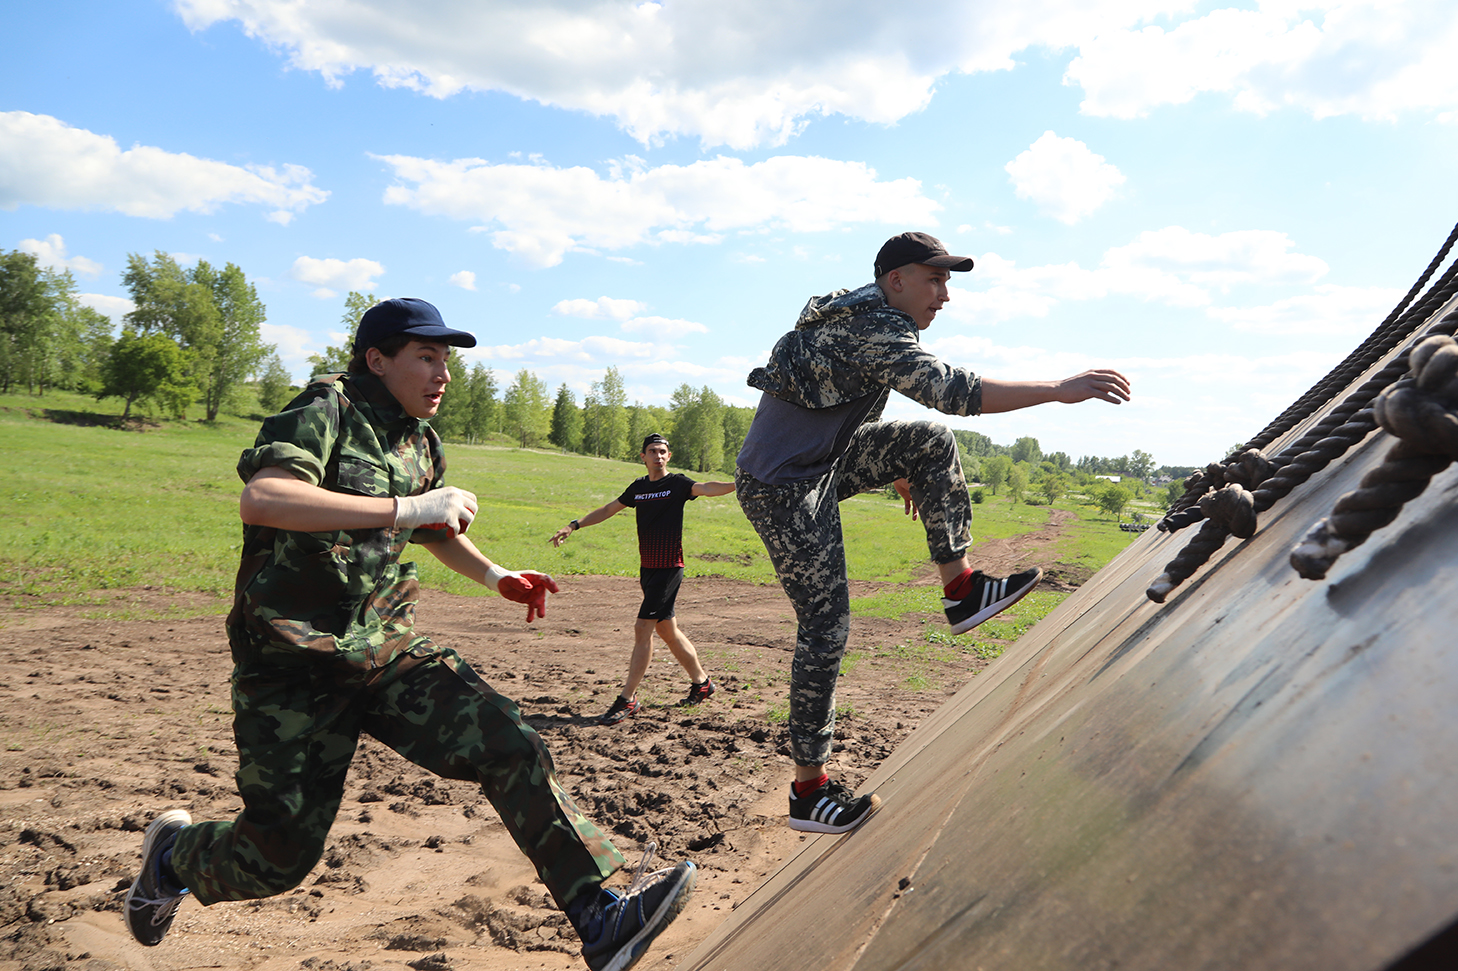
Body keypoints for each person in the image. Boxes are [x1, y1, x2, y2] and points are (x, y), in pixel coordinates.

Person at [122, 298, 695, 971]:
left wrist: (496, 574)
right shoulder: (325, 408)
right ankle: (172, 857)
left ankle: (598, 912)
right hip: (291, 663)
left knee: (508, 739)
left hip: (387, 649)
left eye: (446, 360)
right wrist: (408, 506)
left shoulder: (419, 439)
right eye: (427, 356)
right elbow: (266, 497)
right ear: (377, 358)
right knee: (277, 858)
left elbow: (429, 528)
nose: (442, 373)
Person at [736, 232, 1131, 836]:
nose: (945, 295)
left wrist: (891, 464)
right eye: (934, 279)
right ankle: (808, 793)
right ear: (896, 280)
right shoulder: (871, 326)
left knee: (926, 443)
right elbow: (955, 392)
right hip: (783, 485)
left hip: (823, 461)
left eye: (948, 282)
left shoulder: (858, 307)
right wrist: (1059, 390)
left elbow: (835, 384)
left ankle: (962, 590)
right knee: (825, 626)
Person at [549, 434, 735, 724]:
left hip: (670, 567)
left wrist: (738, 484)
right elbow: (609, 509)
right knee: (667, 632)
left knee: (642, 628)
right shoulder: (638, 488)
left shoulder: (678, 484)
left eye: (663, 452)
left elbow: (708, 488)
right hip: (648, 569)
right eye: (652, 451)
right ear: (643, 457)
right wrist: (574, 525)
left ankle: (628, 699)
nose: (658, 456)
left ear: (668, 457)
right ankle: (702, 683)